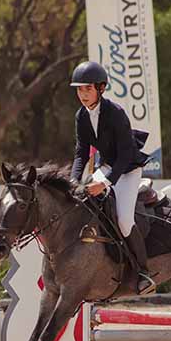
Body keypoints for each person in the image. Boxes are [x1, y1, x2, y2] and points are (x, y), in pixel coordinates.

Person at [69, 61, 155, 295]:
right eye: (79, 89)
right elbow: (81, 153)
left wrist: (105, 183)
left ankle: (143, 272)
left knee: (124, 221)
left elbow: (125, 154)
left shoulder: (115, 113)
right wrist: (74, 181)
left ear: (101, 88)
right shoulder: (81, 116)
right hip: (106, 166)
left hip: (127, 170)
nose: (83, 94)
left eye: (87, 89)